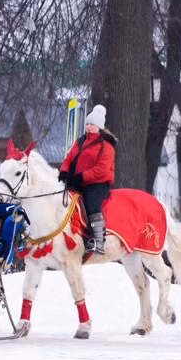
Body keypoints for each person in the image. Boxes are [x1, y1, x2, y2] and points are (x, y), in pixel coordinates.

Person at [58, 104, 116, 255]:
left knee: (91, 203)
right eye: (88, 124)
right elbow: (69, 158)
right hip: (79, 181)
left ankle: (98, 241)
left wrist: (81, 177)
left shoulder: (106, 145)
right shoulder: (80, 141)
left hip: (97, 183)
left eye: (93, 124)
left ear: (99, 127)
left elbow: (102, 169)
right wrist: (64, 172)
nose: (89, 127)